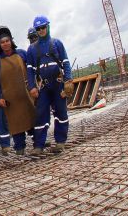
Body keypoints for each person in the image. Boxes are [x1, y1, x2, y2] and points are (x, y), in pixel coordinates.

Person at [26, 15, 73, 155]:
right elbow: (30, 70)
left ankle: (60, 142)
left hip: (58, 84)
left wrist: (68, 80)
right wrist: (32, 87)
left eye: (43, 27)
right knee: (41, 114)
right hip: (44, 87)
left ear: (48, 27)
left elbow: (65, 62)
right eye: (38, 29)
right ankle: (39, 146)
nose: (41, 30)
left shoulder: (57, 43)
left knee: (61, 113)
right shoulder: (32, 49)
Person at [0, 26, 35, 155]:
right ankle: (19, 147)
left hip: (26, 94)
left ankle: (38, 142)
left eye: (7, 41)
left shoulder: (22, 53)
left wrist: (33, 87)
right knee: (16, 124)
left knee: (32, 119)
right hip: (10, 99)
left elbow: (31, 72)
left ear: (11, 41)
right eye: (2, 42)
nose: (5, 44)